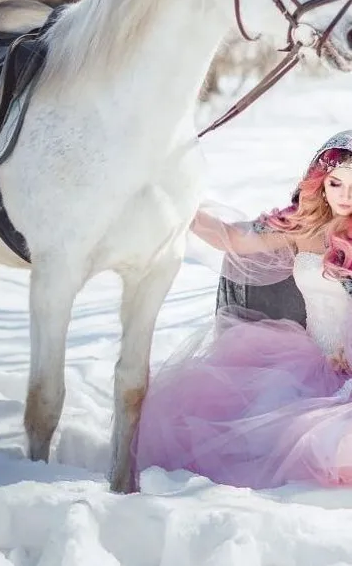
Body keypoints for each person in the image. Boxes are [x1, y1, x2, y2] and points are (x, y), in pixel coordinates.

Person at [133, 131, 352, 490]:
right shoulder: (302, 226)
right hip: (313, 362)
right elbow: (232, 237)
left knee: (330, 442)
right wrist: (179, 205)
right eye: (336, 183)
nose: (345, 196)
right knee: (257, 427)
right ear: (321, 183)